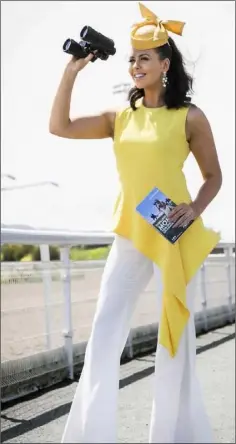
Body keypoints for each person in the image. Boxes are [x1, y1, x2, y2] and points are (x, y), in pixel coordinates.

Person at [49, 3, 222, 442]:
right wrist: (73, 70)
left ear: (165, 64)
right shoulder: (119, 118)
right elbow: (60, 126)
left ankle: (175, 435)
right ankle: (90, 435)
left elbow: (213, 176)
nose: (135, 64)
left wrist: (196, 208)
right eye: (131, 57)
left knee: (174, 341)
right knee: (105, 334)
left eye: (144, 57)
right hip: (130, 233)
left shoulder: (191, 117)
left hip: (173, 234)